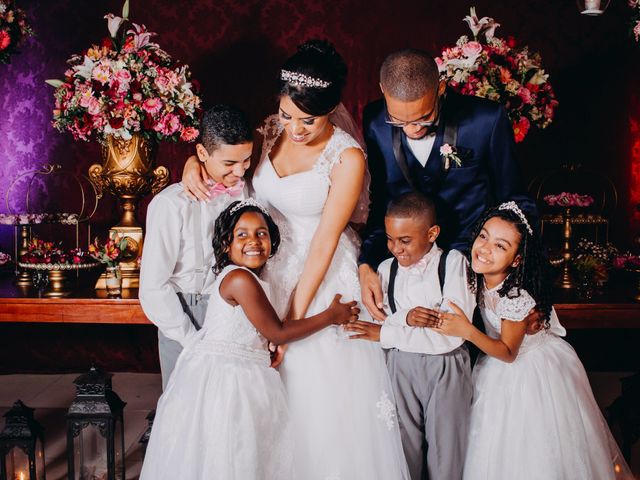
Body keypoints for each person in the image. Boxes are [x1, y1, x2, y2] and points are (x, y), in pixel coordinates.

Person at [183, 39, 410, 480]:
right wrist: (195, 167)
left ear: (333, 110)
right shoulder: (269, 130)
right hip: (264, 265)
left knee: (314, 392)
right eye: (288, 114)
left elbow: (325, 241)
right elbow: (228, 164)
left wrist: (289, 323)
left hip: (319, 275)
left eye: (309, 119)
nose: (296, 128)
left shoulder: (346, 156)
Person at [139, 199, 360, 480]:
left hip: (246, 371)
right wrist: (331, 315)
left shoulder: (254, 278)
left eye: (261, 233)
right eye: (241, 234)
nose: (253, 241)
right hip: (228, 379)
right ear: (225, 244)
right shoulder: (240, 280)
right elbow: (277, 332)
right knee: (230, 452)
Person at [433, 202, 633, 480]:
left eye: (500, 246)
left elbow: (507, 352)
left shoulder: (515, 298)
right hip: (498, 364)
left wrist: (465, 330)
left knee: (533, 442)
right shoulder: (477, 277)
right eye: (483, 236)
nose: (486, 248)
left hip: (530, 368)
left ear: (516, 260)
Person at [358, 48, 538, 322]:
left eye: (423, 117)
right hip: (403, 270)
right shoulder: (374, 121)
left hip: (473, 266)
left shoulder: (486, 120)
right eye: (399, 120)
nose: (411, 129)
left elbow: (514, 200)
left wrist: (518, 279)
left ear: (441, 88)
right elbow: (381, 201)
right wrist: (366, 263)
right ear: (383, 90)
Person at [345, 192, 475, 480]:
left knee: (448, 447)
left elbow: (450, 333)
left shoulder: (453, 264)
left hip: (444, 365)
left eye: (405, 241)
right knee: (403, 445)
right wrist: (403, 320)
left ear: (432, 233)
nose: (396, 249)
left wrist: (387, 334)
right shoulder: (385, 269)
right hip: (399, 363)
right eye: (390, 239)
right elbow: (383, 318)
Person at [139, 104, 252, 389]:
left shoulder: (248, 193)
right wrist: (190, 337)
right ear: (202, 154)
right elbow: (152, 286)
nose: (239, 171)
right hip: (185, 314)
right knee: (185, 407)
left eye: (246, 160)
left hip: (236, 311)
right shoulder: (169, 205)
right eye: (229, 164)